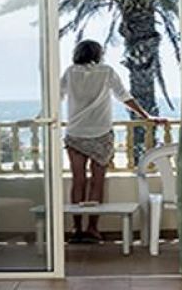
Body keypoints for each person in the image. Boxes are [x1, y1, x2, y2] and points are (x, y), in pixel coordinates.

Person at [61, 40, 168, 243]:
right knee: (97, 180)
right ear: (98, 54)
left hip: (76, 133)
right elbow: (124, 96)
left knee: (78, 180)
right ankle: (92, 228)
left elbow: (57, 96)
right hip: (101, 132)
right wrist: (146, 116)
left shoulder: (70, 72)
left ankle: (76, 228)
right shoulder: (106, 71)